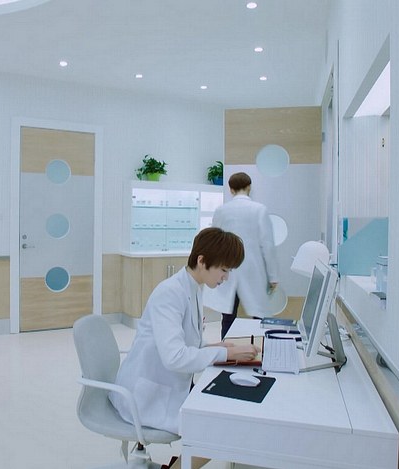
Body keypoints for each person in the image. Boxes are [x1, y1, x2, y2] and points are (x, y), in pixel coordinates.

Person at [109, 227, 259, 440]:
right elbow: (175, 357)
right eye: (224, 269)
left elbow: (188, 342)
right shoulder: (170, 293)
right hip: (146, 398)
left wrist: (213, 347)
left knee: (225, 412)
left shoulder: (194, 288)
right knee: (219, 429)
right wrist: (226, 354)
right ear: (202, 261)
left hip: (172, 385)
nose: (226, 277)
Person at [207, 172, 279, 339]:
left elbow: (214, 240)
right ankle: (259, 348)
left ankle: (226, 350)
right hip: (252, 269)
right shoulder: (259, 210)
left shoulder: (221, 211)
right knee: (259, 316)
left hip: (228, 268)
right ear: (249, 187)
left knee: (228, 316)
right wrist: (273, 276)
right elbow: (267, 245)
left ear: (231, 189)